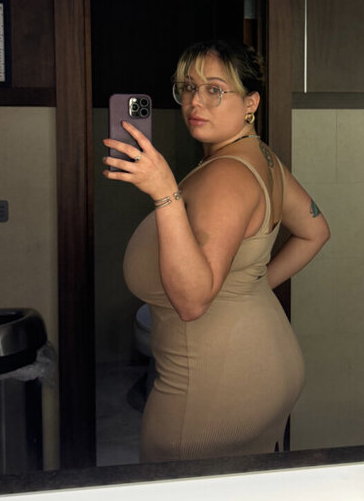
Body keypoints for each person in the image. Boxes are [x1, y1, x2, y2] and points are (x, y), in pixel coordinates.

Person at [102, 40, 330, 462]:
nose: (196, 101)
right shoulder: (263, 160)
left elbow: (192, 302)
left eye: (214, 90)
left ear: (250, 103)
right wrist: (249, 287)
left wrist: (164, 192)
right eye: (188, 87)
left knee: (174, 499)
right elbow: (315, 231)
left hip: (214, 387)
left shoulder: (225, 176)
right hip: (266, 365)